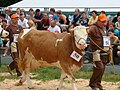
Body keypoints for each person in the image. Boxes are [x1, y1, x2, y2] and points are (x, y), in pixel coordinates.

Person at [88, 13, 110, 90]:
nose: (105, 23)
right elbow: (88, 31)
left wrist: (109, 47)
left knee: (102, 67)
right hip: (95, 51)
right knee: (99, 67)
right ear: (98, 21)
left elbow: (106, 39)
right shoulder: (93, 28)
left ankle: (98, 83)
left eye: (105, 21)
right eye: (103, 21)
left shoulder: (104, 28)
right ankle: (92, 83)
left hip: (104, 51)